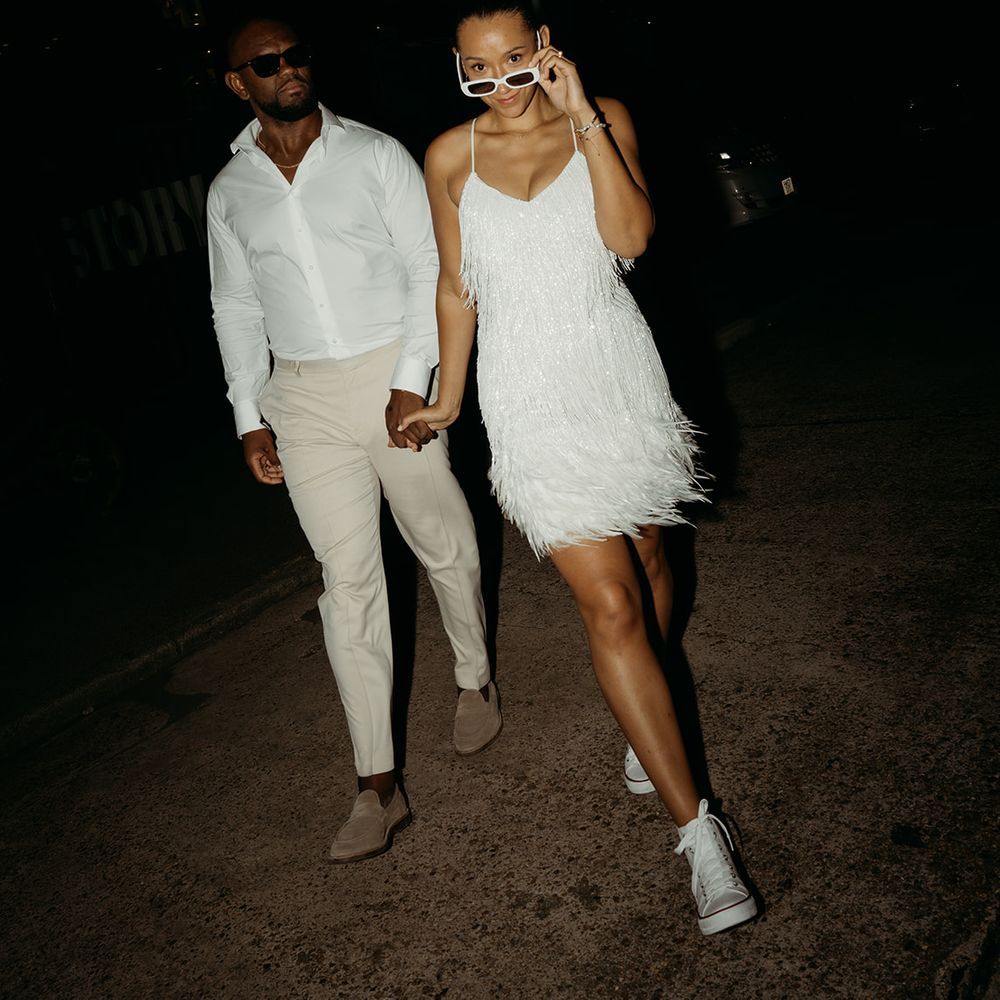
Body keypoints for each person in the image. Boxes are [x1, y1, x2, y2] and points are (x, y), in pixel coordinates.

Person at [400, 3, 758, 934]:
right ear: (456, 65)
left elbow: (632, 237)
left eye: (516, 58)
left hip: (617, 374)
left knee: (647, 571)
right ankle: (700, 837)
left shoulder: (602, 117)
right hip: (526, 398)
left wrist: (585, 115)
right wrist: (444, 394)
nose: (501, 80)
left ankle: (652, 721)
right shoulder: (447, 156)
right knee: (606, 603)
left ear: (544, 47)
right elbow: (455, 283)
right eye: (479, 66)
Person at [206, 14, 502, 865]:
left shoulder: (375, 154)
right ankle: (378, 783)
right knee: (347, 584)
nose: (289, 70)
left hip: (390, 374)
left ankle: (473, 674)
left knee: (440, 536)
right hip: (299, 396)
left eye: (297, 55)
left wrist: (414, 375)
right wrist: (248, 416)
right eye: (267, 63)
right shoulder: (231, 192)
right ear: (239, 83)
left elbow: (429, 266)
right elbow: (235, 307)